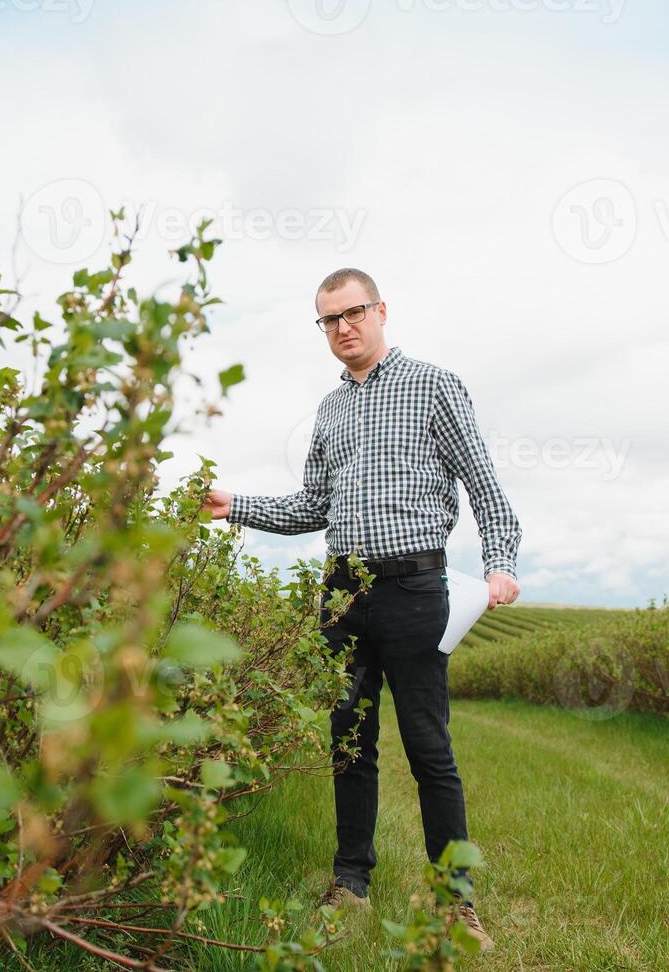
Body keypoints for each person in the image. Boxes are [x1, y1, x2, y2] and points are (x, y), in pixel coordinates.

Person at [201, 268, 522, 952]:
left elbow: (484, 484)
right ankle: (349, 883)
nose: (343, 327)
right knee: (349, 744)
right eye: (329, 320)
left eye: (353, 313)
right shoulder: (330, 410)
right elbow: (309, 508)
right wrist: (236, 507)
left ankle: (453, 903)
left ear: (381, 311)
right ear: (322, 329)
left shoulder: (434, 385)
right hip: (342, 596)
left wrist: (501, 562)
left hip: (414, 590)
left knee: (430, 750)